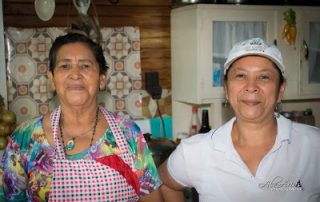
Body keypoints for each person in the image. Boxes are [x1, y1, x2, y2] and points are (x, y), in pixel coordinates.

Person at [1, 32, 163, 201]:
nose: (75, 73)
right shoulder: (25, 138)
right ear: (52, 79)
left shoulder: (128, 132)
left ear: (102, 79)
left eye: (85, 66)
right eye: (64, 66)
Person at [159, 38, 320, 202]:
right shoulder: (195, 151)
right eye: (241, 75)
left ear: (280, 90)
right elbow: (164, 184)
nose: (251, 86)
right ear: (226, 90)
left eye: (264, 77)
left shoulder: (314, 146)